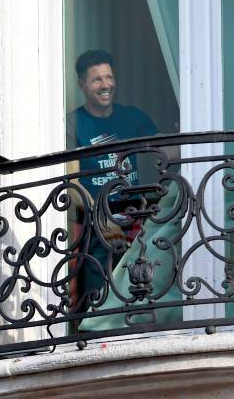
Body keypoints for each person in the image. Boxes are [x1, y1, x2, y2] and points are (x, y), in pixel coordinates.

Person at [66, 49, 158, 312]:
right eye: (97, 79)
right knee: (102, 301)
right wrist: (101, 218)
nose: (105, 85)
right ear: (82, 85)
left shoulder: (133, 117)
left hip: (136, 218)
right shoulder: (74, 123)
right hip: (96, 225)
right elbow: (72, 186)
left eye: (109, 77)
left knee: (144, 293)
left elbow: (163, 152)